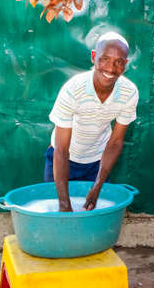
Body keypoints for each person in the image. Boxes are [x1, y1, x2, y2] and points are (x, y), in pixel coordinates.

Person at [44, 32, 139, 212]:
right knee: (58, 218)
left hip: (97, 162)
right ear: (94, 57)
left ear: (125, 65)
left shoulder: (130, 93)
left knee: (93, 216)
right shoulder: (73, 90)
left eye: (119, 62)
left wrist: (97, 186)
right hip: (63, 159)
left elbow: (116, 141)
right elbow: (61, 149)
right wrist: (64, 204)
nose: (111, 69)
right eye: (104, 59)